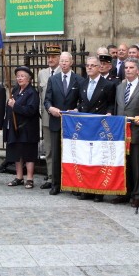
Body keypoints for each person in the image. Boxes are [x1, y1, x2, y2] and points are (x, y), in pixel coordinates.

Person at [112, 58, 139, 207]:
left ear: (137, 70)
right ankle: (125, 192)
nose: (128, 70)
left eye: (131, 67)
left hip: (137, 133)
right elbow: (118, 109)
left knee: (137, 166)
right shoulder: (120, 87)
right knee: (124, 165)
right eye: (126, 67)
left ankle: (137, 194)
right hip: (121, 133)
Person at [76, 56, 116, 202]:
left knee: (99, 158)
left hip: (100, 125)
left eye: (93, 65)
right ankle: (86, 189)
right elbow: (81, 102)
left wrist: (110, 113)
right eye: (88, 65)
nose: (90, 68)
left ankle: (98, 191)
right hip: (86, 125)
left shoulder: (108, 85)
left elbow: (111, 103)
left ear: (100, 67)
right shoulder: (82, 83)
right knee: (87, 157)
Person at [44, 51, 84, 195]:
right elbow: (47, 99)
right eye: (61, 61)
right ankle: (56, 184)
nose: (64, 63)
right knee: (56, 154)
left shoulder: (78, 80)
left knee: (72, 154)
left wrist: (77, 109)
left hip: (73, 124)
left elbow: (83, 101)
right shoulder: (53, 79)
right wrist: (50, 108)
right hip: (56, 121)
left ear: (71, 62)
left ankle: (73, 184)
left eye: (66, 61)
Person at [5, 66, 40, 189]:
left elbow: (31, 110)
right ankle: (19, 177)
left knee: (28, 154)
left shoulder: (32, 93)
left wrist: (15, 106)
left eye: (22, 76)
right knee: (17, 153)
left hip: (28, 128)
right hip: (15, 128)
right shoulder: (15, 90)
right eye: (18, 76)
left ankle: (29, 178)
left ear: (29, 79)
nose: (19, 78)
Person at [38, 44, 61, 189]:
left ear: (59, 58)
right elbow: (41, 95)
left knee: (61, 148)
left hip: (61, 117)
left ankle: (62, 177)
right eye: (48, 57)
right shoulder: (42, 73)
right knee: (49, 149)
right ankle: (51, 177)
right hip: (47, 117)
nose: (50, 59)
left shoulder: (63, 72)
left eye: (53, 57)